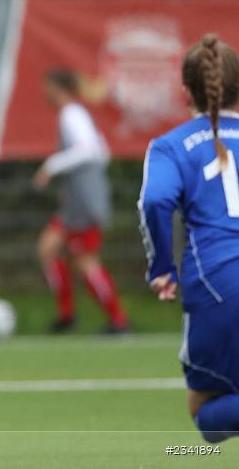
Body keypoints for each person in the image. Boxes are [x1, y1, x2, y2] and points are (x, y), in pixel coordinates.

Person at [139, 34, 239, 443]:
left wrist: (163, 267)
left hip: (219, 282)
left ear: (185, 91)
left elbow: (156, 201)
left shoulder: (172, 145)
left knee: (205, 417)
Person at [33, 69, 129, 334]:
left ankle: (118, 320)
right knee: (48, 248)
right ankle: (67, 315)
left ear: (58, 88)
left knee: (86, 260)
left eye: (47, 88)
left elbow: (87, 149)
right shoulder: (76, 114)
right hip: (77, 200)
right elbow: (102, 150)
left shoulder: (72, 114)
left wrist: (51, 167)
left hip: (85, 202)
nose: (45, 94)